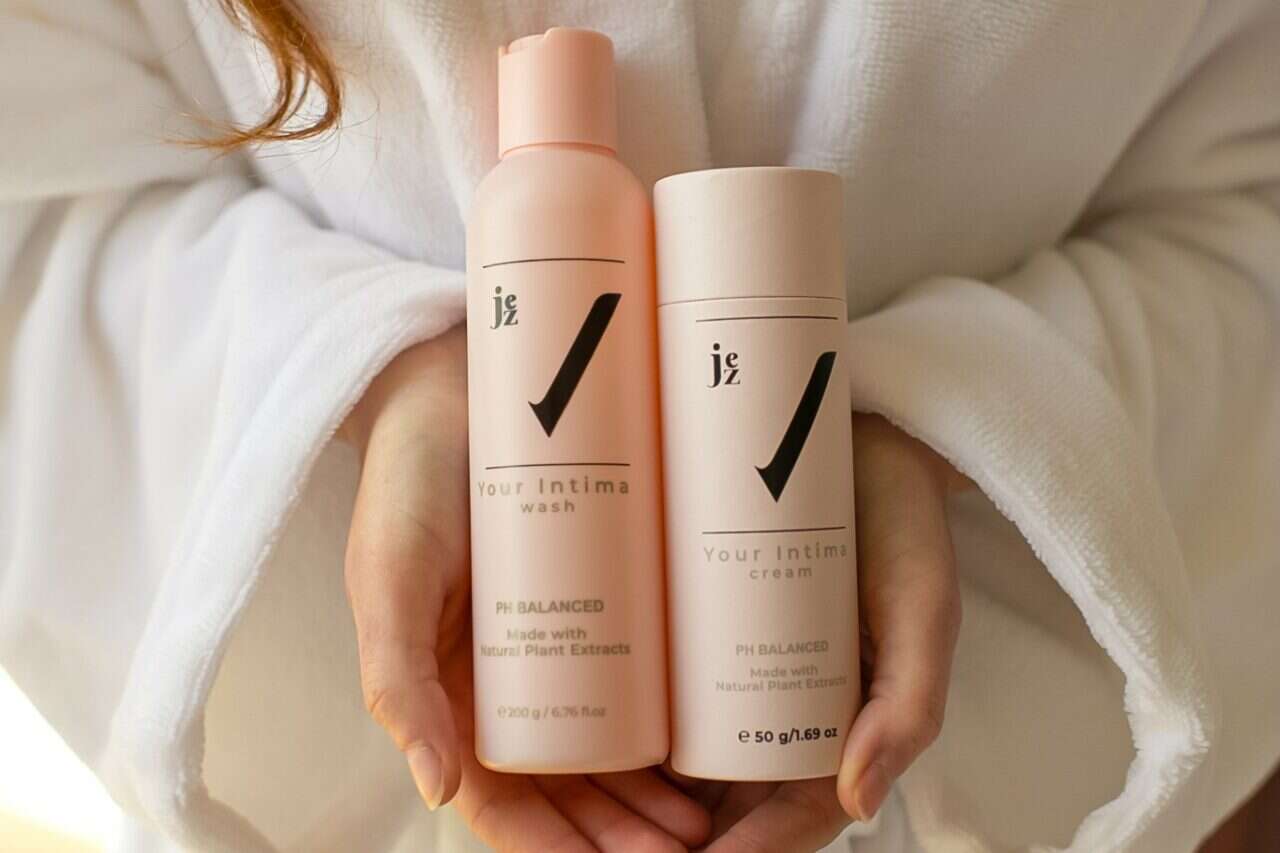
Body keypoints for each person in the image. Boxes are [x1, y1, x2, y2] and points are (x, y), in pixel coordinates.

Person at [0, 2, 1276, 852]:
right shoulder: (544, 200)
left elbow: (1248, 196)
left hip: (994, 742)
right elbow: (39, 192)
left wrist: (958, 415)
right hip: (367, 771)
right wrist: (373, 377)